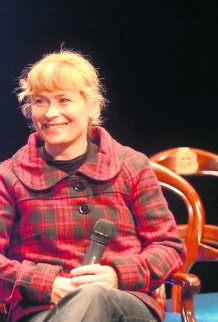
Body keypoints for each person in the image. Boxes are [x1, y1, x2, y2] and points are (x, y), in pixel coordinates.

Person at [0, 50, 186, 322]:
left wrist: (117, 275)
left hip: (124, 304)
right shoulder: (9, 176)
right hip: (43, 311)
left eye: (64, 100)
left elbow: (168, 246)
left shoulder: (130, 165)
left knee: (94, 296)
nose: (51, 113)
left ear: (93, 107)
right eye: (40, 101)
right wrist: (45, 284)